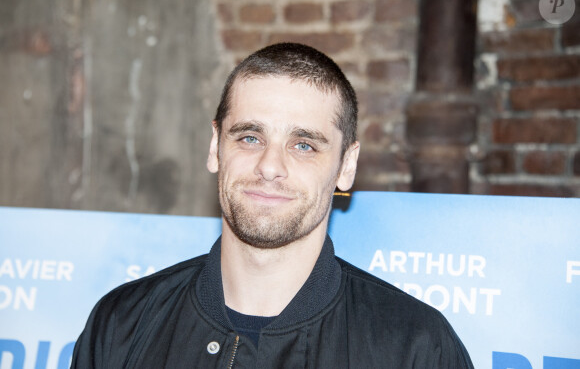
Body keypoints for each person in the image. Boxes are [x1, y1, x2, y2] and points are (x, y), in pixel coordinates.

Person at [71, 43, 473, 368]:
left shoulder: (416, 348)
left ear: (346, 167)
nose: (270, 166)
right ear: (215, 147)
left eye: (303, 145)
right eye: (249, 137)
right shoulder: (123, 322)